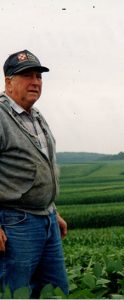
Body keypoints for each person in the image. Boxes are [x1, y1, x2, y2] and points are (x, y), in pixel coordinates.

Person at [0, 50, 69, 297]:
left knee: (55, 291)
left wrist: (53, 210)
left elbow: (41, 167)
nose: (35, 82)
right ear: (8, 82)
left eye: (39, 77)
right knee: (15, 293)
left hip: (46, 220)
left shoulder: (37, 116)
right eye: (27, 76)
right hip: (15, 223)